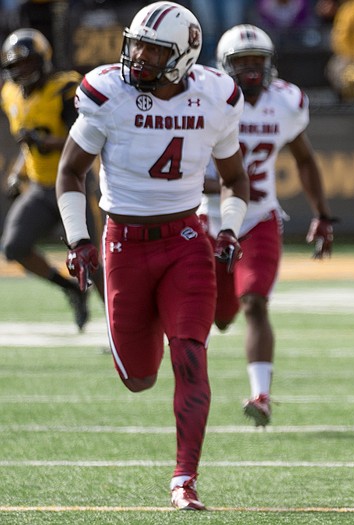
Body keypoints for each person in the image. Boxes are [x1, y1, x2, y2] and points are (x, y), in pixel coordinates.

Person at [55, 1, 249, 511]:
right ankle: (147, 337)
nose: (137, 58)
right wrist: (78, 239)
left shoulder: (216, 96)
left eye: (152, 50)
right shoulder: (109, 94)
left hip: (186, 240)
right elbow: (70, 172)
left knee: (190, 354)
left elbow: (234, 178)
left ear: (184, 55)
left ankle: (185, 478)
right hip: (123, 243)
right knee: (139, 377)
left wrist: (228, 230)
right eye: (135, 45)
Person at [200, 24, 334, 427]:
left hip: (258, 217)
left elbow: (305, 158)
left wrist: (322, 214)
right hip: (208, 217)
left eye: (258, 61)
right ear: (225, 67)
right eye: (242, 63)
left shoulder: (286, 102)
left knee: (255, 302)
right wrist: (223, 185)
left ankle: (261, 396)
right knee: (219, 316)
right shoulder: (205, 99)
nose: (252, 71)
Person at [0, 27, 104, 332]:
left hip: (75, 185)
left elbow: (85, 137)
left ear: (44, 60)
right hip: (41, 187)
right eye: (16, 66)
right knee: (13, 247)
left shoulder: (65, 88)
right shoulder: (9, 95)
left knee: (93, 260)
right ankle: (71, 289)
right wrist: (18, 172)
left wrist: (47, 143)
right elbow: (26, 142)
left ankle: (119, 327)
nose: (22, 71)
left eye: (28, 63)